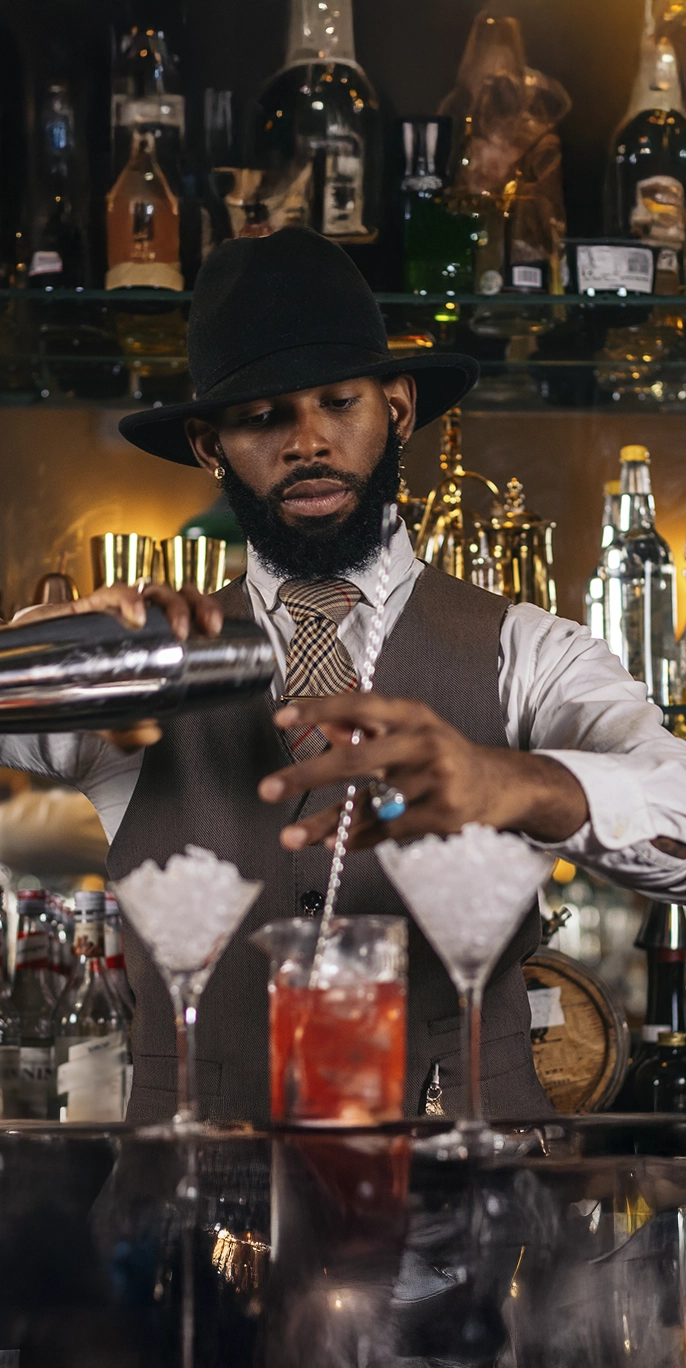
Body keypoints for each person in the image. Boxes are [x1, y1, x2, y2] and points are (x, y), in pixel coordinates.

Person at [2, 227, 685, 1125]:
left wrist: (514, 783)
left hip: (465, 1193)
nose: (309, 441)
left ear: (396, 408)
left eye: (339, 402)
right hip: (198, 1193)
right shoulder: (147, 672)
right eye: (263, 417)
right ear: (209, 445)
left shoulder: (528, 651)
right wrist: (54, 652)